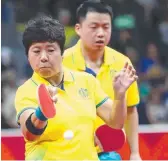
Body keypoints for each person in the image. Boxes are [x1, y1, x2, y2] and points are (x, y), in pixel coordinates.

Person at [15, 15, 138, 160]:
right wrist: (41, 113)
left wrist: (120, 95)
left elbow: (116, 122)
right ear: (28, 56)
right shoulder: (26, 91)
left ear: (62, 53)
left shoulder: (86, 81)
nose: (43, 57)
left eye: (50, 50)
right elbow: (30, 134)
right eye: (36, 51)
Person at [62, 1, 141, 160]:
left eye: (106, 27)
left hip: (108, 154)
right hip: (70, 152)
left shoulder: (122, 63)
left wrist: (135, 153)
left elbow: (131, 111)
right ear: (78, 29)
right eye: (94, 27)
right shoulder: (62, 63)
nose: (100, 33)